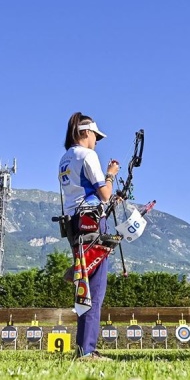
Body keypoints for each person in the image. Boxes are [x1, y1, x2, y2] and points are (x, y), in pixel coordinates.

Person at [59, 112, 119, 360]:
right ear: (85, 132)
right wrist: (111, 175)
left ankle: (85, 347)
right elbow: (104, 193)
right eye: (95, 135)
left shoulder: (64, 158)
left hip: (75, 224)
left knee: (85, 285)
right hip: (92, 223)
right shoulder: (88, 155)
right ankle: (87, 351)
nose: (96, 141)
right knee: (94, 289)